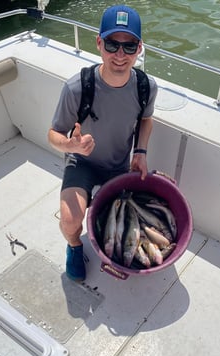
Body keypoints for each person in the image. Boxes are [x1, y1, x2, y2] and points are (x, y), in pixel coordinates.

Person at [48, 4, 157, 282]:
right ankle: (74, 246)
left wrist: (141, 152)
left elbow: (146, 119)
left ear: (139, 48)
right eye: (112, 44)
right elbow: (53, 134)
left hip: (119, 165)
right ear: (99, 43)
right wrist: (71, 146)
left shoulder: (146, 87)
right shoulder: (77, 87)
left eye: (129, 46)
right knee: (70, 220)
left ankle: (102, 203)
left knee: (126, 229)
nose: (120, 55)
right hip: (82, 163)